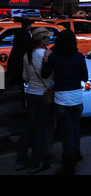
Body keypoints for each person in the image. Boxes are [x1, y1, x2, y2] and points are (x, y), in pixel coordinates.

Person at [41, 29, 88, 175]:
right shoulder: (79, 57)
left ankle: (69, 167)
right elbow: (84, 77)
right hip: (77, 98)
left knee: (67, 132)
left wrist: (46, 58)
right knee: (75, 129)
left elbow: (45, 74)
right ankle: (76, 154)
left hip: (62, 99)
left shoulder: (54, 57)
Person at [16, 27, 54, 174]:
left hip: (31, 94)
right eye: (47, 37)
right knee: (40, 130)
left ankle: (21, 161)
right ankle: (35, 163)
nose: (49, 40)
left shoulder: (27, 55)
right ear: (41, 40)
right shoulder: (45, 54)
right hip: (43, 96)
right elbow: (49, 76)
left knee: (28, 128)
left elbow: (25, 78)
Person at [6, 18, 32, 104]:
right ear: (28, 25)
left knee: (6, 79)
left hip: (13, 58)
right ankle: (24, 100)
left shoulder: (17, 32)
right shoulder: (26, 34)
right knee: (23, 81)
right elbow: (28, 46)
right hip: (20, 61)